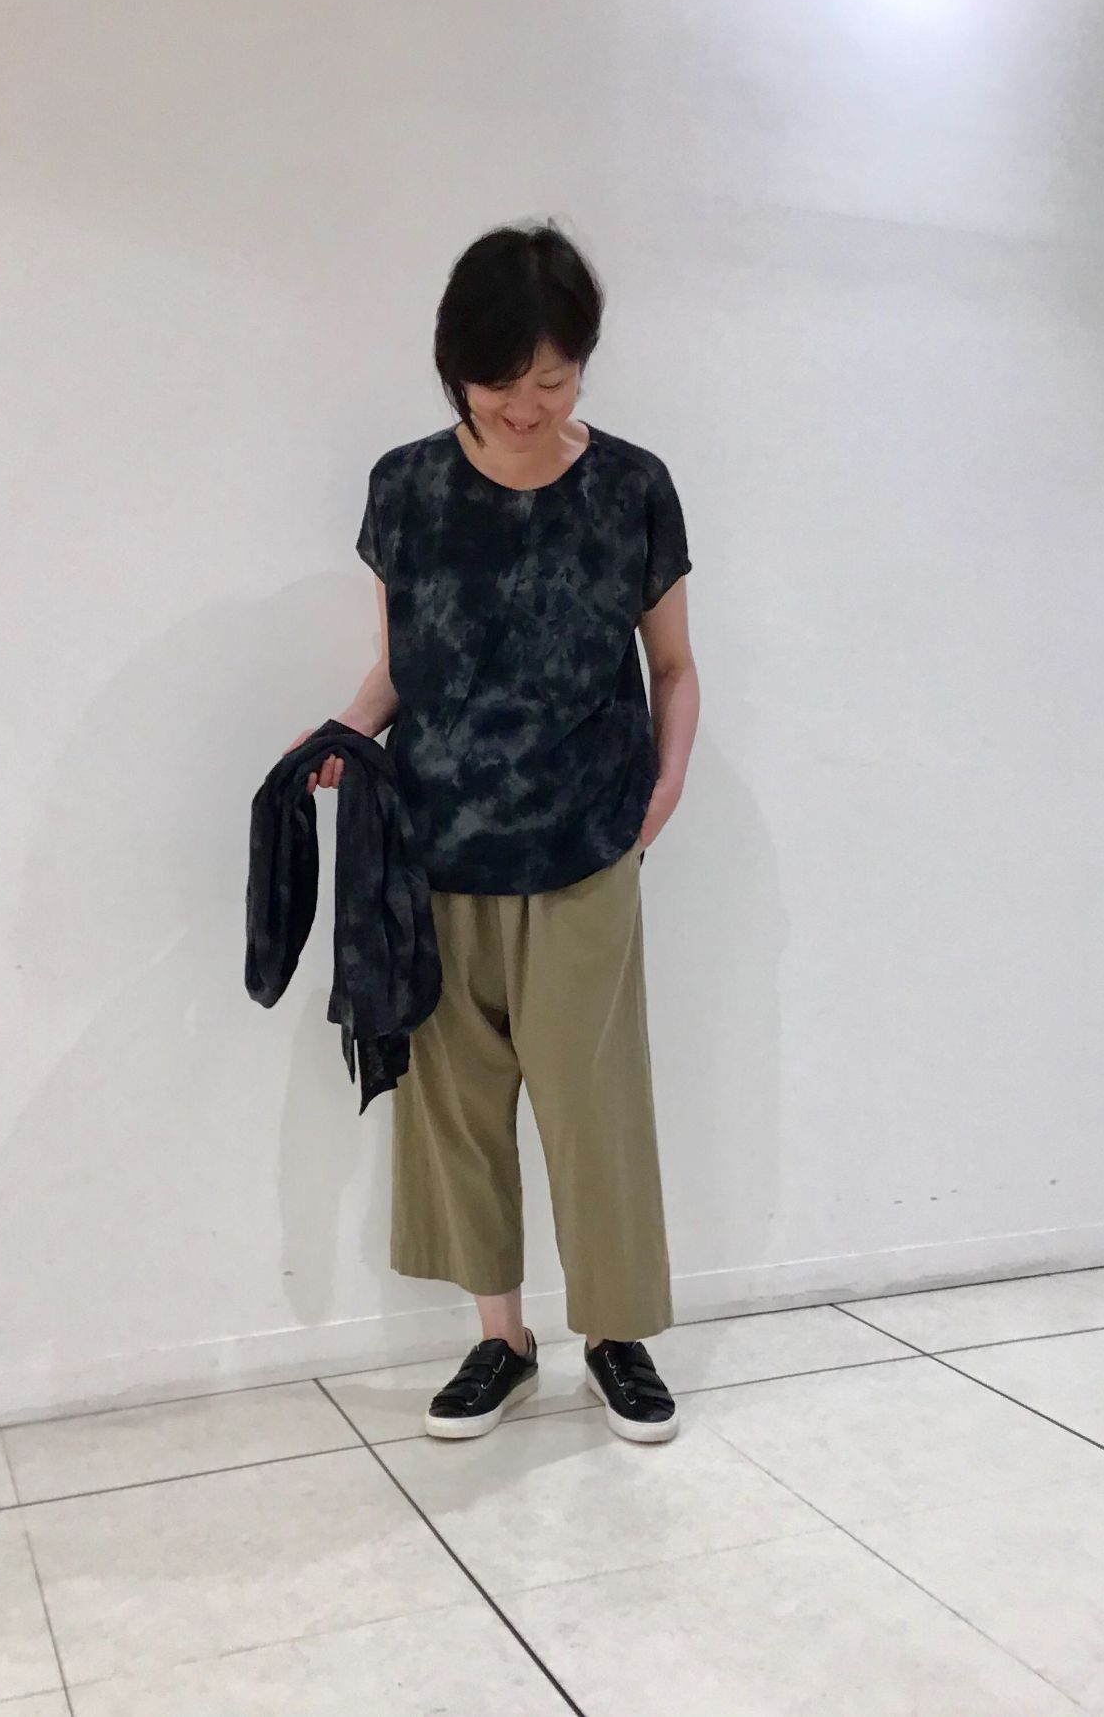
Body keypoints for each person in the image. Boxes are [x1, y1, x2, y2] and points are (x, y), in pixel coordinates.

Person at [288, 219, 699, 1443]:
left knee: (592, 1104)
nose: (525, 407)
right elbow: (402, 663)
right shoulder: (405, 488)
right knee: (456, 1109)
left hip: (585, 842)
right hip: (435, 845)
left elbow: (673, 668)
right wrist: (345, 731)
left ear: (582, 366)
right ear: (453, 367)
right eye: (498, 382)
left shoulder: (631, 488)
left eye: (553, 381)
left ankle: (614, 1336)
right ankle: (500, 1340)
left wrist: (664, 789)